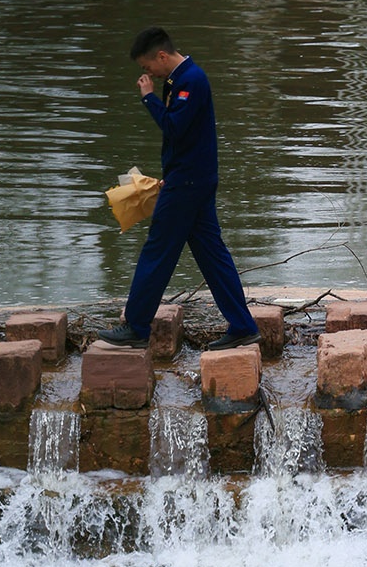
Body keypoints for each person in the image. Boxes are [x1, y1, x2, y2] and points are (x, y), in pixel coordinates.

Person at [98, 27, 261, 350]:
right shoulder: (179, 81)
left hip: (188, 183)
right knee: (212, 255)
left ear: (161, 56)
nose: (148, 74)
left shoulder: (191, 81)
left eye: (147, 68)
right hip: (190, 179)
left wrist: (148, 98)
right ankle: (243, 326)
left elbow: (174, 127)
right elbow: (185, 139)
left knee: (157, 251)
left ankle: (136, 325)